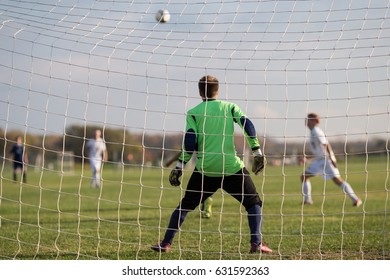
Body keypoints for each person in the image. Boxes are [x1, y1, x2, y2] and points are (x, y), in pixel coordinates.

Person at [151, 75, 272, 254]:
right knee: (254, 203)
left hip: (205, 170)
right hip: (231, 167)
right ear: (218, 90)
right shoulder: (230, 107)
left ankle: (166, 243)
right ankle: (256, 243)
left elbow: (190, 142)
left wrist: (179, 167)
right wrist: (257, 151)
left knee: (184, 206)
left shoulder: (193, 112)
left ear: (200, 92)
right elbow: (247, 124)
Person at [301, 113, 362, 207]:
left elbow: (326, 144)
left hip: (326, 160)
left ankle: (356, 199)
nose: (306, 121)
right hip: (318, 161)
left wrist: (332, 158)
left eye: (308, 119)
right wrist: (307, 158)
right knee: (304, 176)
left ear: (313, 121)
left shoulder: (317, 131)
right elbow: (318, 150)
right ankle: (308, 200)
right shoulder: (312, 132)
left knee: (337, 180)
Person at [165, 151, 213, 219]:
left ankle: (206, 208)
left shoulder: (198, 140)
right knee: (208, 186)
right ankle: (207, 208)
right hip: (220, 165)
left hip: (203, 166)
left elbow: (185, 151)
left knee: (191, 196)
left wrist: (172, 161)